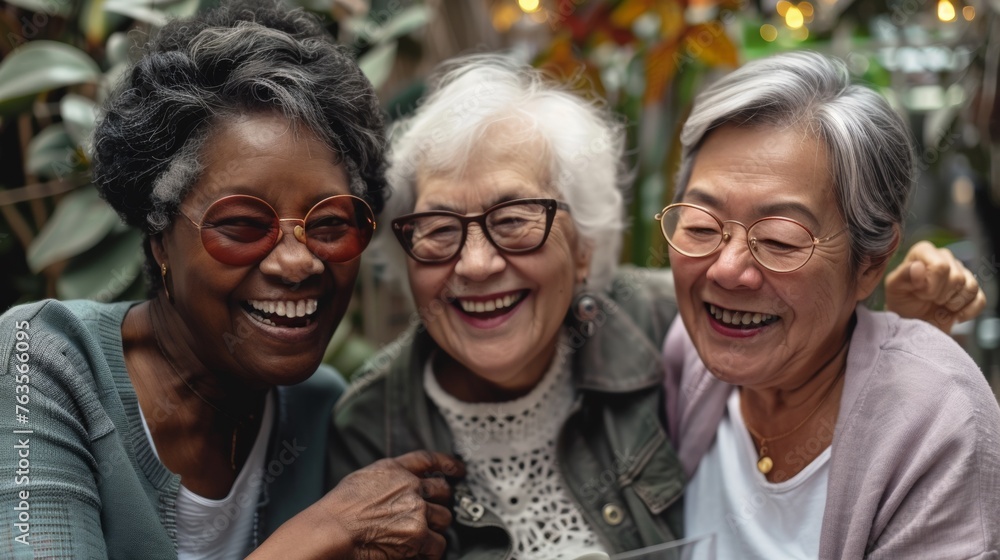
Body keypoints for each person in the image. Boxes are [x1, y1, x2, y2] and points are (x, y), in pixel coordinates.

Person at [329, 54, 985, 559]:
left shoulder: (654, 334)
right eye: (439, 230)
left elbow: (872, 382)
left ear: (585, 246)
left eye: (516, 219)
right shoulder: (370, 426)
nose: (475, 264)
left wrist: (903, 337)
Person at [0, 2, 462, 558]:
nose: (299, 264)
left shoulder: (317, 414)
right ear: (158, 237)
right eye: (243, 224)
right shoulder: (38, 361)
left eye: (331, 223)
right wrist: (325, 534)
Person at [660, 51, 1000, 558]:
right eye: (702, 228)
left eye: (778, 239)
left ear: (870, 264)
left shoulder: (940, 423)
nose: (726, 270)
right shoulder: (686, 355)